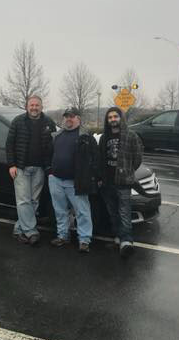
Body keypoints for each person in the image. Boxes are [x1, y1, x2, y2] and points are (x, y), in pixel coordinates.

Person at [6, 95, 57, 245]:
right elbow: (9, 145)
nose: (34, 108)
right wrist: (12, 165)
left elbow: (54, 145)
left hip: (40, 169)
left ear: (42, 107)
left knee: (34, 201)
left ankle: (18, 229)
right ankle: (31, 231)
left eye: (37, 105)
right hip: (21, 168)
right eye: (32, 105)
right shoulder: (18, 121)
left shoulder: (49, 123)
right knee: (23, 201)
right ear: (27, 106)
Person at [48, 108, 98, 252]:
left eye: (72, 116)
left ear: (78, 118)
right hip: (56, 180)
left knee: (82, 211)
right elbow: (49, 155)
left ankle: (84, 240)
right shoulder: (57, 136)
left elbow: (95, 158)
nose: (68, 119)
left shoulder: (86, 136)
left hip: (76, 182)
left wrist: (94, 177)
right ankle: (63, 236)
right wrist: (50, 172)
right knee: (60, 210)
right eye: (66, 117)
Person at [98, 106, 143, 258]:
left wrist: (128, 172)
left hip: (123, 182)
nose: (112, 120)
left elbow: (137, 159)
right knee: (113, 212)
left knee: (124, 212)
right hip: (107, 182)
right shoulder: (104, 138)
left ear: (120, 118)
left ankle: (126, 241)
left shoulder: (130, 136)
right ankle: (117, 236)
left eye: (115, 117)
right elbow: (101, 160)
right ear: (107, 120)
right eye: (110, 117)